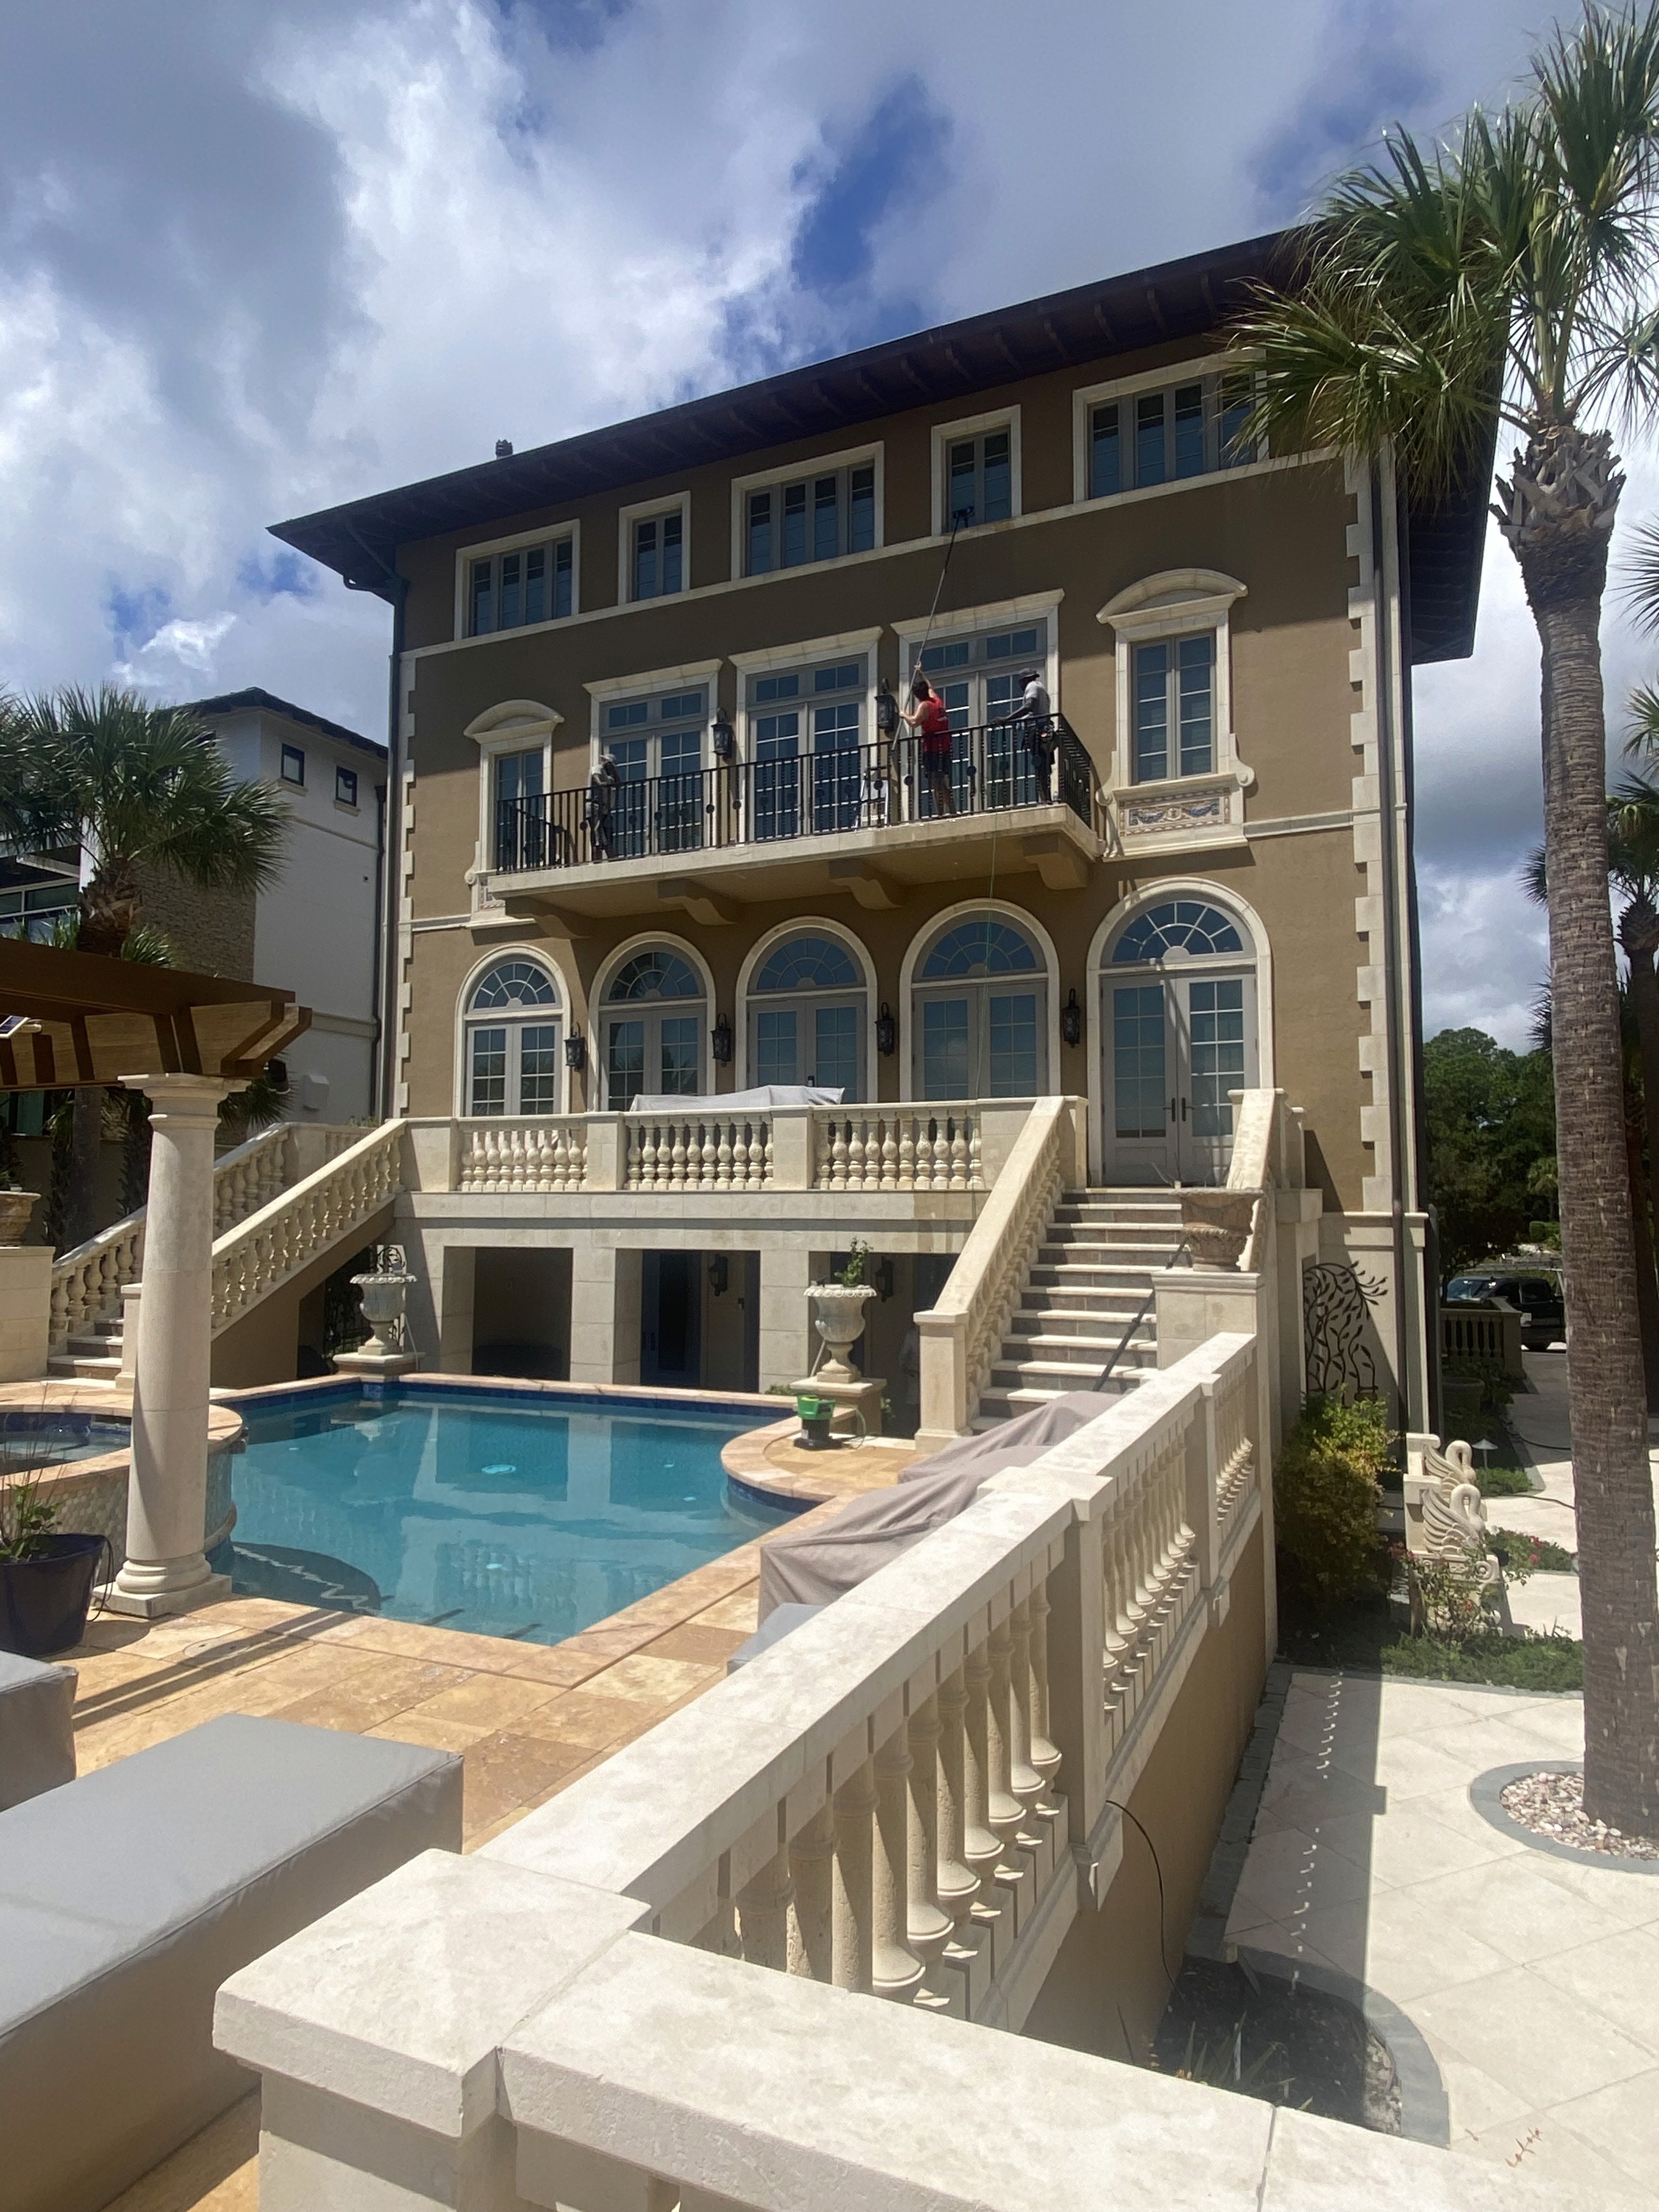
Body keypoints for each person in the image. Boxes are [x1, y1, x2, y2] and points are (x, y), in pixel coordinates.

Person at [901, 673, 955, 817]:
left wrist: (904, 714)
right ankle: (952, 808)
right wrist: (921, 673)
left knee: (936, 783)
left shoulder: (924, 706)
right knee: (942, 780)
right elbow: (930, 687)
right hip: (944, 746)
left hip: (932, 748)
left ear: (917, 696)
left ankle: (942, 812)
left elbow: (914, 722)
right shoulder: (937, 701)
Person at [1013, 667, 1054, 794]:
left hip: (1037, 729)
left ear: (1025, 680)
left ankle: (1045, 798)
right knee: (1043, 767)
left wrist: (1008, 719)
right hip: (1043, 727)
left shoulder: (1032, 686)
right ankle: (1046, 796)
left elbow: (1029, 706)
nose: (1020, 685)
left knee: (1040, 765)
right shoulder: (1041, 687)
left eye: (1020, 682)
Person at [586, 749, 620, 860]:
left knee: (605, 835)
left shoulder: (609, 777)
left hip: (604, 809)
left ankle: (610, 857)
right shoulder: (598, 768)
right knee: (599, 835)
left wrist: (614, 772)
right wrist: (602, 783)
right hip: (595, 806)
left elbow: (619, 784)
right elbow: (596, 778)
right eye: (609, 765)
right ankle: (599, 860)